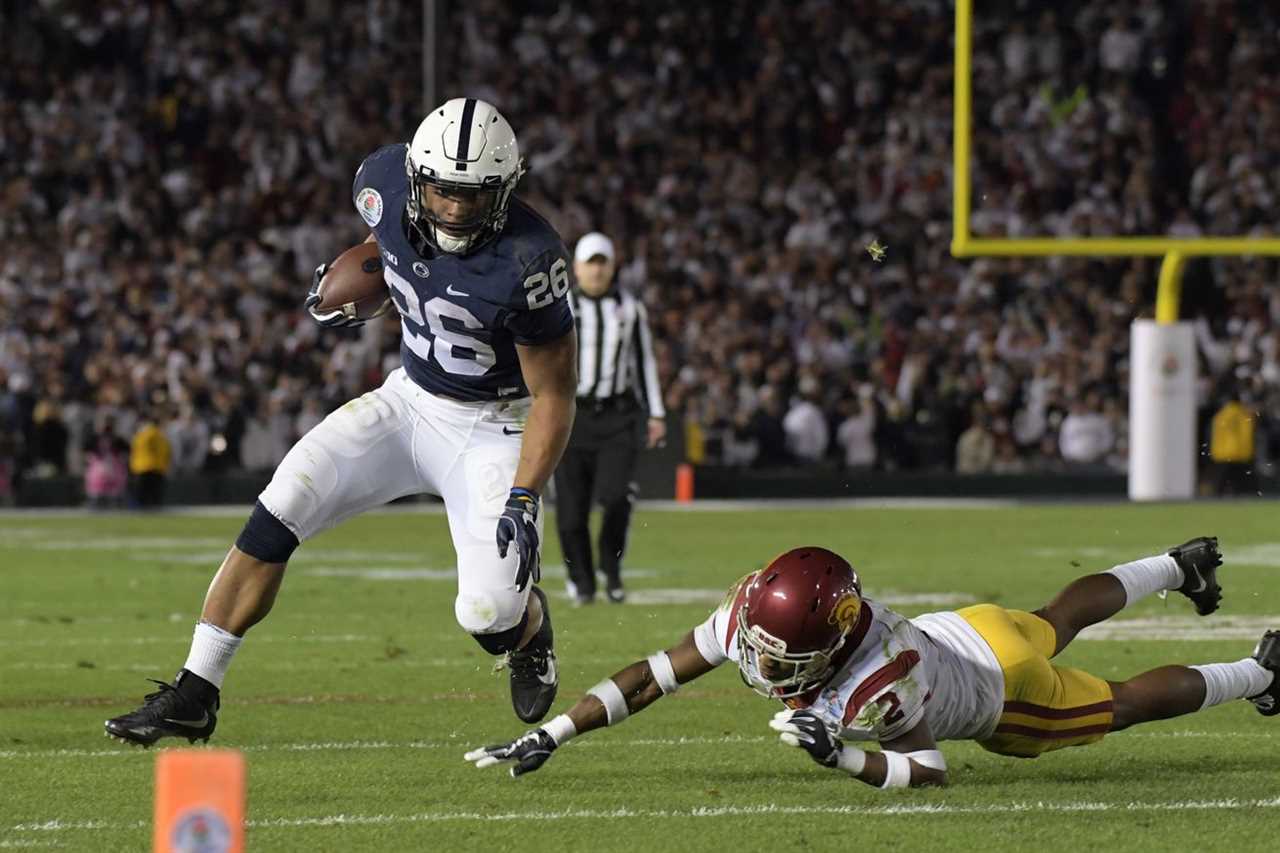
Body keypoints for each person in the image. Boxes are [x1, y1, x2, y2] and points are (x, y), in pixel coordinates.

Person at [105, 97, 579, 746]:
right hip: (409, 400)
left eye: (474, 196)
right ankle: (195, 690)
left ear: (504, 189)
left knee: (489, 611)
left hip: (494, 425)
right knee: (284, 499)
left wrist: (524, 495)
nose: (456, 210)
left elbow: (553, 395)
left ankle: (528, 632)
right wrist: (364, 277)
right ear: (416, 179)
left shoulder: (531, 260)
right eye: (443, 192)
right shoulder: (380, 182)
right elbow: (381, 248)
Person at [466, 539, 1279, 787]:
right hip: (974, 628)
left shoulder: (876, 680)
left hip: (1002, 690)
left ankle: (1262, 672)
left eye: (783, 654)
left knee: (1122, 701)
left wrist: (847, 754)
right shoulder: (759, 608)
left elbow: (928, 771)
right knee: (1056, 616)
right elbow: (653, 673)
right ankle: (1177, 564)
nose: (756, 656)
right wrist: (558, 732)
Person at [554, 231, 665, 605]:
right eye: (591, 263)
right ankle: (581, 581)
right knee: (571, 512)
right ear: (577, 268)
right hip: (572, 416)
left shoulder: (630, 308)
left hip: (618, 415)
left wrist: (657, 413)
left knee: (616, 498)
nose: (597, 271)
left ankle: (611, 568)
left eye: (603, 263)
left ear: (612, 267)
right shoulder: (561, 305)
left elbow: (644, 361)